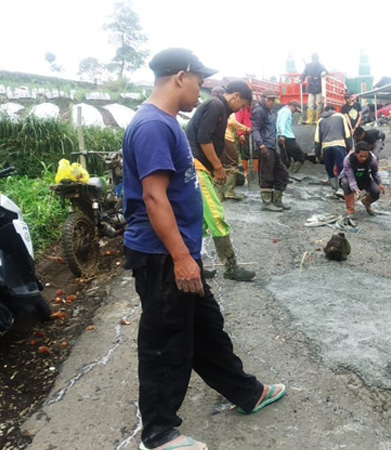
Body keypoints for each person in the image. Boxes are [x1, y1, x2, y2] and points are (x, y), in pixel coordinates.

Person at [122, 48, 285, 450]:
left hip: (177, 251)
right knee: (165, 341)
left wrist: (188, 254)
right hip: (162, 255)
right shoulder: (152, 127)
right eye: (199, 81)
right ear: (180, 77)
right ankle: (158, 434)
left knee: (206, 329)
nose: (203, 90)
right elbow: (154, 197)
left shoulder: (165, 123)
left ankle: (246, 393)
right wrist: (181, 258)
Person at [184, 79, 256, 281]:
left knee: (199, 219)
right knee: (216, 215)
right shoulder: (216, 105)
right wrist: (218, 167)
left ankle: (195, 265)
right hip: (197, 166)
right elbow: (203, 139)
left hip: (196, 166)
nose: (239, 109)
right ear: (235, 97)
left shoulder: (220, 109)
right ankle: (231, 267)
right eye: (241, 105)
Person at [251, 94, 288, 212]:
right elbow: (255, 129)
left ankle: (277, 201)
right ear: (263, 99)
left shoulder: (270, 112)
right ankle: (266, 203)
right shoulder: (259, 111)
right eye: (269, 99)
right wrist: (261, 145)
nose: (271, 102)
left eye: (273, 99)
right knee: (267, 175)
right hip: (265, 146)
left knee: (282, 173)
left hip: (272, 146)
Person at [314, 105, 353, 197]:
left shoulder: (320, 120)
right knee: (342, 168)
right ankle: (341, 189)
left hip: (326, 147)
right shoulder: (340, 116)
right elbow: (347, 133)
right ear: (334, 110)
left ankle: (334, 190)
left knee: (329, 169)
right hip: (339, 145)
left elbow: (317, 139)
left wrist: (317, 153)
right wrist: (350, 147)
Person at [339, 142, 384, 216]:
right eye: (361, 156)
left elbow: (375, 173)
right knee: (346, 183)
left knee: (376, 191)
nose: (363, 158)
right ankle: (351, 210)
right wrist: (356, 189)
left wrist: (379, 183)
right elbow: (350, 177)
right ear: (355, 154)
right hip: (349, 179)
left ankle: (366, 202)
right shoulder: (348, 160)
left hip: (364, 178)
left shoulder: (372, 159)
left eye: (365, 156)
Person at [220, 112, 250, 201]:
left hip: (221, 139)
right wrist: (245, 129)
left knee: (224, 163)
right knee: (232, 163)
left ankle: (222, 192)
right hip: (227, 139)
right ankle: (229, 191)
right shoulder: (228, 111)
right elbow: (233, 122)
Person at [276, 99, 306, 173]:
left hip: (282, 137)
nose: (295, 111)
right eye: (295, 109)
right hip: (287, 138)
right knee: (300, 156)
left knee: (286, 160)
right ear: (292, 106)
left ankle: (285, 176)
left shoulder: (282, 111)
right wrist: (282, 135)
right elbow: (281, 123)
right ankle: (292, 174)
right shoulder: (286, 111)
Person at [301, 52, 327, 123]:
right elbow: (304, 73)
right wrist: (301, 79)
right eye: (313, 59)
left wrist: (324, 73)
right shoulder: (308, 66)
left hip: (319, 88)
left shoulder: (321, 66)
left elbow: (326, 72)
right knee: (310, 104)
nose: (314, 61)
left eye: (315, 60)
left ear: (317, 60)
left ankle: (317, 119)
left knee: (319, 104)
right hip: (311, 88)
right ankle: (309, 119)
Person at [235, 101, 256, 178]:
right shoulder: (241, 109)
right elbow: (237, 122)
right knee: (245, 153)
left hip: (252, 133)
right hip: (244, 133)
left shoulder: (251, 109)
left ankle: (255, 172)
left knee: (255, 153)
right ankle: (245, 172)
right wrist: (240, 134)